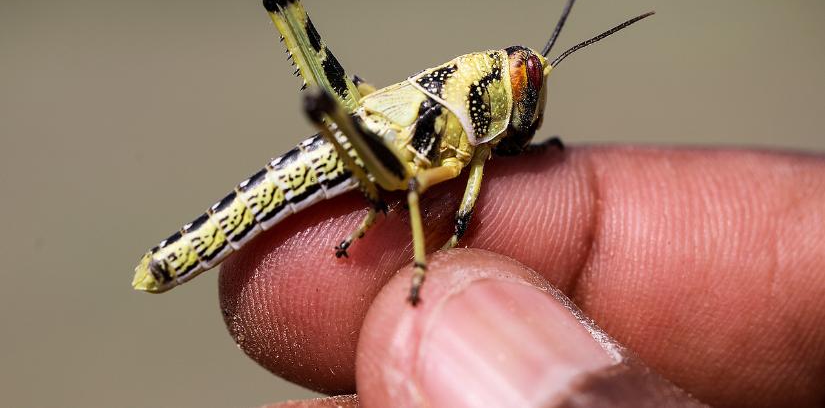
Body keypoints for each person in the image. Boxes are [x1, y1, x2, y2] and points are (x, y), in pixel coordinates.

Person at [218, 146, 825, 407]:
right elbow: (419, 183)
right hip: (354, 151)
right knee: (402, 184)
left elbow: (465, 203)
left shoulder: (477, 153)